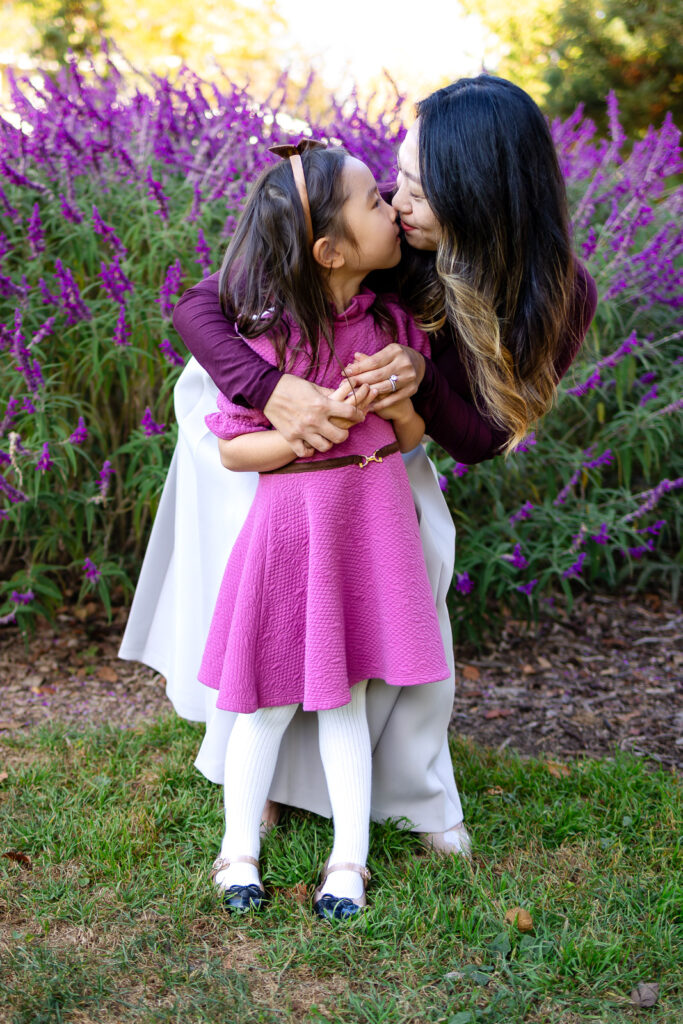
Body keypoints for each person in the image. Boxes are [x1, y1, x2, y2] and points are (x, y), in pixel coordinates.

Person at [120, 74, 597, 857]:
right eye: (393, 182)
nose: (397, 201)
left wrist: (418, 379)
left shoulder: (554, 294)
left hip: (375, 434)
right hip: (246, 411)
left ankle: (411, 787)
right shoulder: (387, 242)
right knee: (268, 557)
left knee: (423, 552)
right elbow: (199, 308)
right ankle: (261, 771)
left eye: (414, 188)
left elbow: (477, 438)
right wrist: (270, 391)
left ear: (476, 197)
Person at [195, 141, 451, 918]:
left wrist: (400, 404)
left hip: (367, 528)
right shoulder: (271, 339)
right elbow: (237, 449)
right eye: (375, 200)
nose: (393, 209)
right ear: (329, 249)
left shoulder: (394, 326)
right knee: (266, 701)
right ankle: (237, 849)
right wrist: (312, 428)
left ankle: (350, 861)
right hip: (291, 529)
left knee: (347, 697)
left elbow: (408, 442)